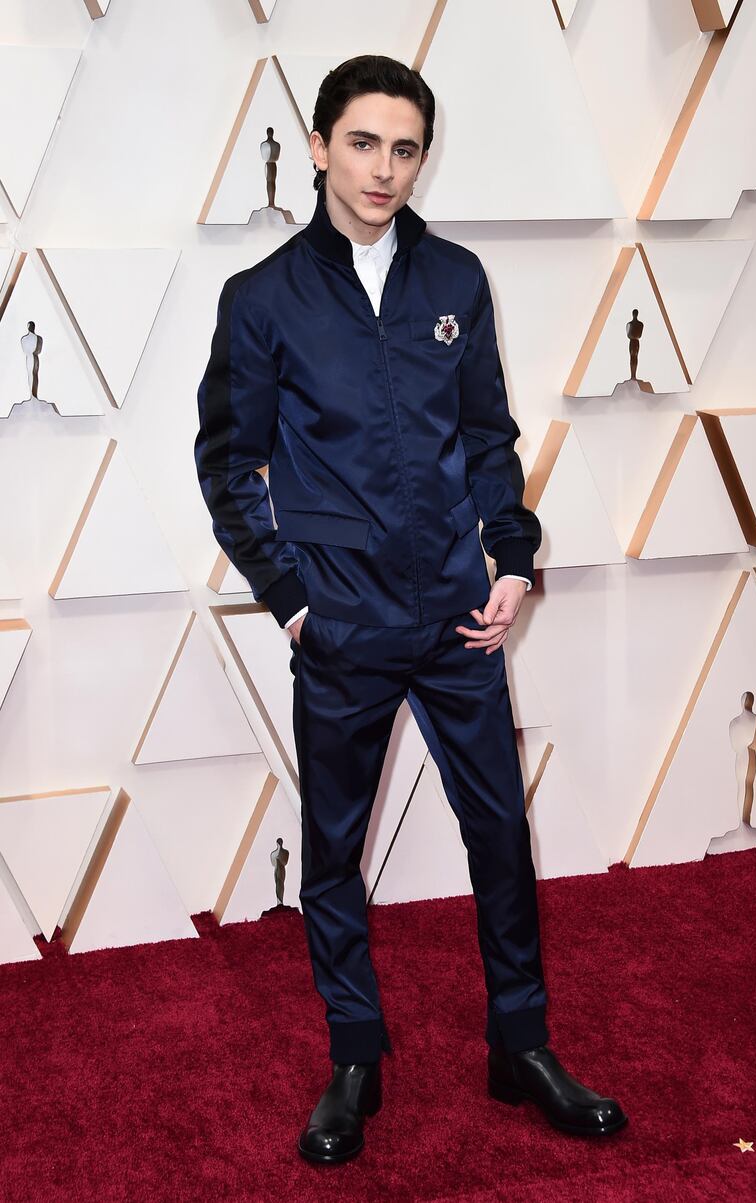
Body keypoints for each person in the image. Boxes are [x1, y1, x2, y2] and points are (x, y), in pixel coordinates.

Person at [194, 54, 627, 1165]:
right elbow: (229, 466)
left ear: (420, 156)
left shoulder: (457, 282)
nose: (384, 169)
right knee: (333, 852)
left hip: (454, 616)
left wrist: (514, 561)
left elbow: (487, 440)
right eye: (362, 143)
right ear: (323, 144)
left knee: (500, 835)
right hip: (339, 625)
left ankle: (519, 1046)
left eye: (404, 148)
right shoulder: (262, 300)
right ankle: (353, 1059)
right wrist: (290, 602)